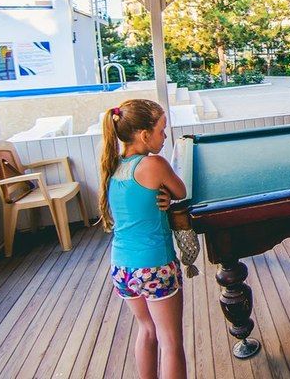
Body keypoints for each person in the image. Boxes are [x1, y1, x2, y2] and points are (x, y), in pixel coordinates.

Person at [98, 99, 188, 379]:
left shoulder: (112, 166)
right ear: (144, 135)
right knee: (170, 342)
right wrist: (168, 193)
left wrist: (161, 195)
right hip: (155, 266)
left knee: (147, 330)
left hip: (122, 268)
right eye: (161, 130)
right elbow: (181, 191)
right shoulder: (154, 164)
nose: (165, 137)